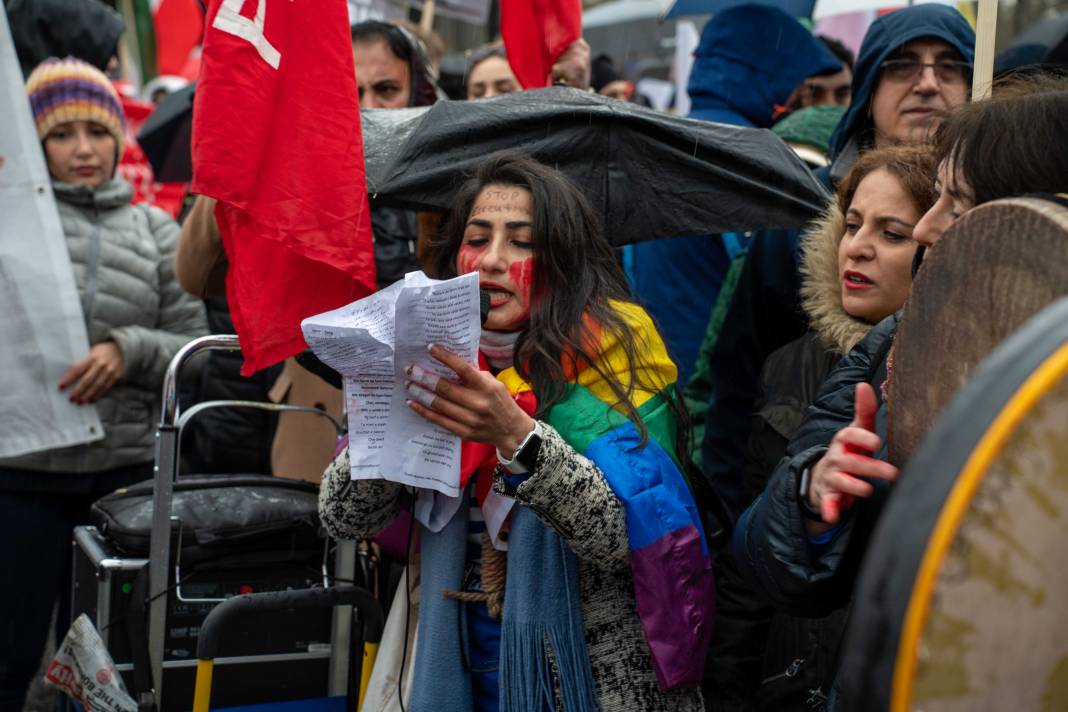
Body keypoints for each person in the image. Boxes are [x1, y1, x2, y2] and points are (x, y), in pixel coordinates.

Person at [319, 152, 711, 711]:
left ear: (563, 258)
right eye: (477, 239)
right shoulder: (432, 357)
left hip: (586, 675)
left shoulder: (620, 353)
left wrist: (518, 436)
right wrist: (391, 409)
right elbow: (343, 516)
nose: (492, 261)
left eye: (522, 242)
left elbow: (624, 539)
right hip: (453, 653)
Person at [732, 74, 1068, 710]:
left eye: (957, 206)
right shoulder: (892, 346)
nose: (924, 229)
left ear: (1033, 218)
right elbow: (760, 559)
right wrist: (813, 496)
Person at [695, 3, 975, 518]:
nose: (929, 83)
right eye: (903, 64)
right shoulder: (796, 227)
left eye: (951, 65)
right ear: (868, 89)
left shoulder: (1004, 221)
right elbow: (732, 389)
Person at [0, 57, 206, 709]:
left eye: (96, 131)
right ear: (34, 145)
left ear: (119, 138)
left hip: (123, 478)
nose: (83, 149)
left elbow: (196, 349)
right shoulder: (7, 234)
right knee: (9, 651)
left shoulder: (154, 231)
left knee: (115, 660)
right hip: (21, 475)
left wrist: (130, 350)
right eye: (61, 134)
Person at [722, 145, 937, 709]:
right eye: (852, 224)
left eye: (893, 233)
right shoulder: (790, 363)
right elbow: (747, 567)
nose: (858, 247)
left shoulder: (952, 383)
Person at [625, 4, 842, 385]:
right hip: (716, 387)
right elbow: (764, 283)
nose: (797, 103)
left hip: (647, 380)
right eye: (796, 88)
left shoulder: (661, 143)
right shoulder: (749, 157)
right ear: (766, 76)